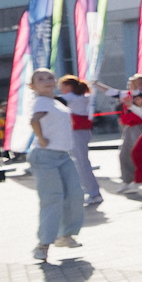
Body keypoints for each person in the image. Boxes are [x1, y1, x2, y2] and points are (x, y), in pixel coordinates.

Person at [26, 70, 84, 263]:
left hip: (63, 155)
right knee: (52, 198)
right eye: (40, 79)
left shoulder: (56, 102)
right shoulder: (42, 101)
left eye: (50, 77)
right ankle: (43, 245)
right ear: (32, 86)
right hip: (45, 156)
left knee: (75, 194)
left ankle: (64, 235)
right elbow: (34, 120)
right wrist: (41, 139)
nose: (47, 81)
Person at [58, 76, 102, 206]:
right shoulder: (82, 96)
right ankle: (90, 191)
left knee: (82, 163)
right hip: (81, 131)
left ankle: (94, 193)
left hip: (77, 132)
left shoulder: (71, 97)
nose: (60, 89)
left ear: (69, 87)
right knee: (80, 163)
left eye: (62, 86)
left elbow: (56, 101)